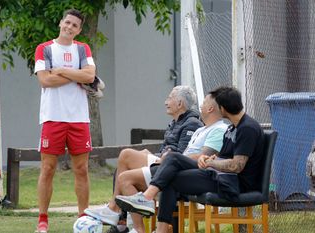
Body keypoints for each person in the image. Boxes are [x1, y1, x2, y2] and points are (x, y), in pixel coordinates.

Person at [115, 87, 265, 233]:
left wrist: (211, 162)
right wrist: (209, 159)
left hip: (232, 183)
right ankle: (153, 213)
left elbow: (236, 166)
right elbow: (225, 157)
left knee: (171, 172)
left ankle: (148, 200)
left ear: (223, 108)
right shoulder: (233, 127)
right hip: (219, 175)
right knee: (173, 162)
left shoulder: (247, 129)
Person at [84, 86, 203, 233]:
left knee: (126, 155)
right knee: (122, 175)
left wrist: (157, 157)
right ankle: (136, 228)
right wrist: (153, 155)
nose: (166, 102)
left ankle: (114, 210)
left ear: (180, 104)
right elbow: (167, 150)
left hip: (172, 171)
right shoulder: (175, 122)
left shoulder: (191, 123)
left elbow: (181, 156)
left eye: (170, 98)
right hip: (163, 164)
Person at [34, 9, 96, 233]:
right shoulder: (45, 48)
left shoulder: (82, 48)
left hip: (79, 118)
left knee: (81, 170)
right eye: (67, 22)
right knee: (48, 168)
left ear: (79, 30)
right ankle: (43, 220)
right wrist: (75, 73)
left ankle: (84, 219)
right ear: (61, 23)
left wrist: (60, 70)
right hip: (52, 116)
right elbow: (45, 81)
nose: (69, 27)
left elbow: (89, 77)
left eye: (75, 26)